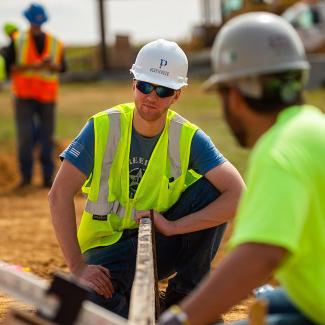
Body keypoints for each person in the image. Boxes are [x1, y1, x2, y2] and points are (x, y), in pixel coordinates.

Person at [49, 39, 245, 318]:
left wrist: (174, 227)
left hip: (158, 243)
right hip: (105, 249)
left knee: (214, 189)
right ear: (133, 83)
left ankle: (184, 299)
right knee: (82, 303)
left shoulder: (187, 136)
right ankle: (145, 312)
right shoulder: (103, 126)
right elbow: (58, 194)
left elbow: (238, 194)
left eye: (163, 90)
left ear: (177, 95)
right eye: (144, 85)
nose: (151, 96)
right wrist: (78, 268)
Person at [158, 12, 325, 325]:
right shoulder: (313, 127)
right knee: (269, 302)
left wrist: (180, 320)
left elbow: (261, 254)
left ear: (234, 95)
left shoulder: (279, 150)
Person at [5, 3, 66, 188]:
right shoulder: (18, 40)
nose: (36, 25)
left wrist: (50, 66)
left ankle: (47, 178)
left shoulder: (55, 42)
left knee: (46, 137)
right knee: (26, 136)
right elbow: (9, 67)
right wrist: (34, 67)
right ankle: (26, 177)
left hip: (47, 96)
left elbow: (62, 67)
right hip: (24, 95)